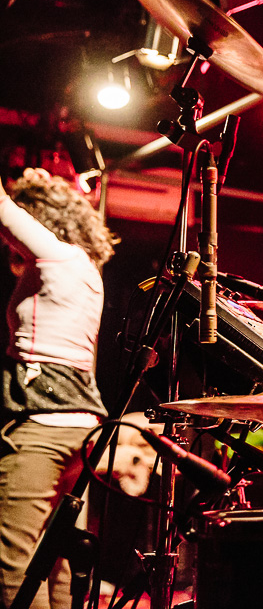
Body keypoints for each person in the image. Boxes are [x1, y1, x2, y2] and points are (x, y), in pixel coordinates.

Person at [0, 168, 115, 609]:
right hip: (82, 427)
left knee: (12, 562)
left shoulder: (55, 256)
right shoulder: (87, 271)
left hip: (43, 425)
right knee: (55, 562)